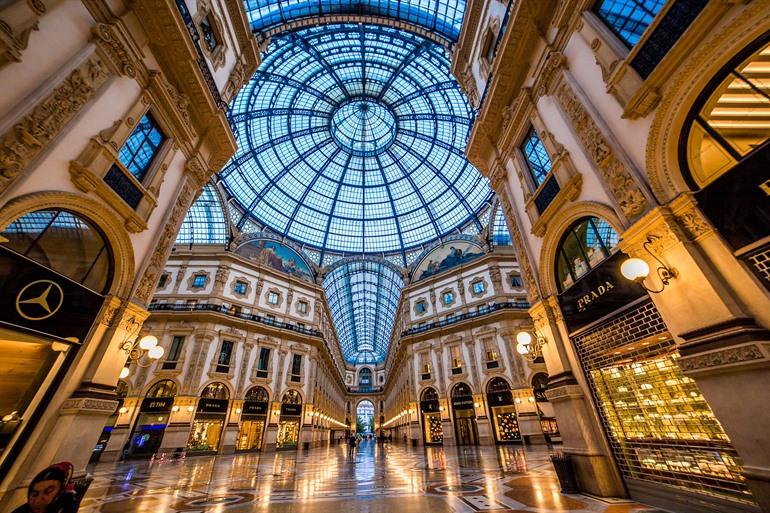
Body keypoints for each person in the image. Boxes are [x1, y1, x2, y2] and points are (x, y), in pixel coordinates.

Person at [12, 461, 77, 513]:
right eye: (34, 494)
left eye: (48, 492)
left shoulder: (69, 503)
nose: (38, 501)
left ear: (60, 492)